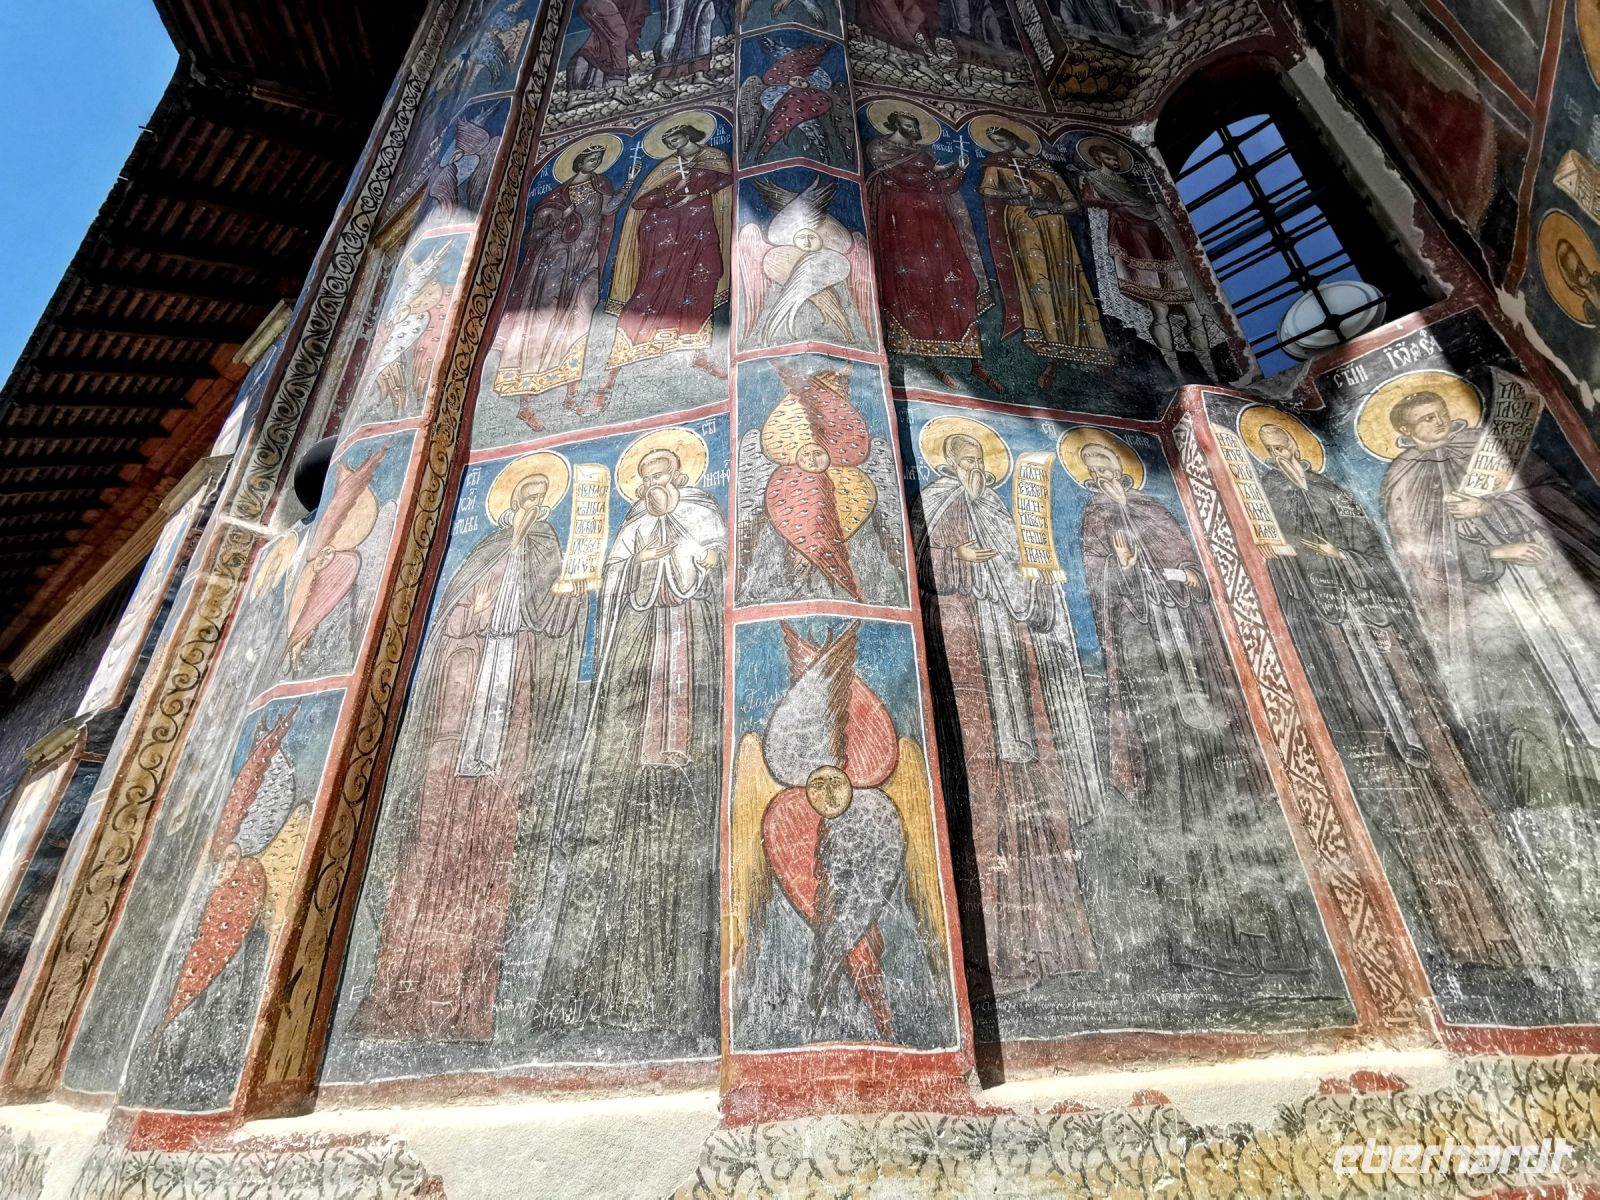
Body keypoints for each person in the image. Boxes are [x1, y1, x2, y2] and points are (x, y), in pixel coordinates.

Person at [1252, 418, 1539, 967]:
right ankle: (1441, 935)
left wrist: (1344, 557)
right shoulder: (1269, 493)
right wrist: (1313, 557)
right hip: (1336, 633)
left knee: (1436, 745)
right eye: (1270, 445)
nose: (1281, 447)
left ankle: (1513, 928)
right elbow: (1280, 555)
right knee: (1381, 767)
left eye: (1285, 439)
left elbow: (1374, 549)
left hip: (1380, 623)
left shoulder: (1334, 488)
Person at [1077, 438, 1318, 980]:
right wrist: (1124, 570)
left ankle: (1265, 934)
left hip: (1196, 666)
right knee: (1173, 802)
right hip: (1153, 683)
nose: (1102, 471)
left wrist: (1185, 578)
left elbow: (1194, 572)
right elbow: (1102, 591)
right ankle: (1192, 937)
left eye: (1107, 462)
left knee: (1231, 792)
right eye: (1092, 467)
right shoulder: (1095, 519)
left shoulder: (1154, 509)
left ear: (1121, 466)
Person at [359, 467, 583, 1040]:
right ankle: (400, 989)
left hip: (513, 688)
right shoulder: (483, 551)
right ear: (508, 504)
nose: (531, 506)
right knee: (434, 830)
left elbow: (553, 617)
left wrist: (574, 589)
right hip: (462, 699)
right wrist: (469, 616)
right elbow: (448, 624)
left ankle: (471, 1002)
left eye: (540, 498)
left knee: (494, 830)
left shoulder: (546, 550)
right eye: (524, 497)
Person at [535, 445, 726, 1054]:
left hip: (688, 662)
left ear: (680, 475)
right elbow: (613, 588)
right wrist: (639, 564)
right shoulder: (632, 530)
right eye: (646, 478)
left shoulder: (702, 515)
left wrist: (691, 556)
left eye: (662, 475)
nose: (654, 485)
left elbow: (716, 562)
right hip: (639, 669)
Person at [916, 430, 1103, 994]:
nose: (973, 465)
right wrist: (959, 560)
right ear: (947, 464)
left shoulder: (999, 511)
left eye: (978, 458)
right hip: (966, 653)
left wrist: (1041, 582)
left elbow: (1026, 581)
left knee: (1033, 787)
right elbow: (923, 567)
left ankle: (1055, 945)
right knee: (980, 789)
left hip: (1014, 663)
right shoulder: (936, 502)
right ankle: (989, 956)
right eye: (963, 458)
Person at [493, 140, 633, 425]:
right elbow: (535, 235)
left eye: (598, 160)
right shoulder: (556, 197)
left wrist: (628, 183)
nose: (594, 164)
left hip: (587, 259)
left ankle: (571, 395)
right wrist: (561, 220)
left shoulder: (601, 186)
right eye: (590, 159)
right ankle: (525, 401)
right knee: (543, 321)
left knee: (580, 318)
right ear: (578, 162)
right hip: (555, 262)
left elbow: (609, 210)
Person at [865, 109, 1004, 394]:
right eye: (908, 124)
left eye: (915, 125)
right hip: (902, 226)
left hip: (937, 228)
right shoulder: (879, 147)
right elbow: (905, 179)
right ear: (895, 123)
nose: (913, 130)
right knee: (913, 286)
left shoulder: (923, 154)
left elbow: (943, 186)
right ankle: (927, 359)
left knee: (958, 283)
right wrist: (937, 172)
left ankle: (975, 362)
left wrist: (960, 169)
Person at [596, 122, 732, 409]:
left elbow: (726, 180)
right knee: (652, 290)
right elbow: (640, 203)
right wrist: (674, 193)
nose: (672, 143)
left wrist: (698, 193)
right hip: (666, 236)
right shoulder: (666, 168)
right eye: (668, 140)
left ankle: (699, 353)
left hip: (700, 229)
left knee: (707, 276)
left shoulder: (714, 158)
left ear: (689, 134)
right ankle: (615, 369)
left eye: (675, 137)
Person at [977, 124, 1112, 388]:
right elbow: (986, 190)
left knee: (1069, 283)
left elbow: (1070, 203)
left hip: (1055, 227)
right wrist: (1015, 194)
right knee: (1038, 282)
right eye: (995, 142)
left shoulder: (1044, 167)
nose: (1000, 146)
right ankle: (1049, 351)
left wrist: (1047, 208)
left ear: (1013, 137)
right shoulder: (998, 164)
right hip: (1023, 223)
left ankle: (1092, 349)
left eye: (1002, 139)